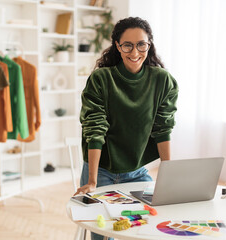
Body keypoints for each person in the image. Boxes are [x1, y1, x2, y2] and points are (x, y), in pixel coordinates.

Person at [74, 16, 179, 240]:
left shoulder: (162, 81)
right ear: (117, 46)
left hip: (137, 171)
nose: (135, 52)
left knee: (150, 227)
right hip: (101, 170)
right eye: (127, 45)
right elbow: (95, 129)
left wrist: (168, 177)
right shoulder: (101, 79)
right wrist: (91, 180)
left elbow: (163, 128)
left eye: (141, 44)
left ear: (149, 45)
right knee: (103, 233)